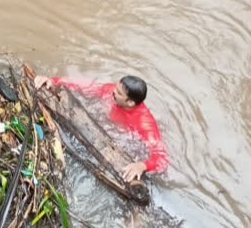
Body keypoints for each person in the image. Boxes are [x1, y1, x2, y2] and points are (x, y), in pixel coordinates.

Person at [34, 74, 168, 181]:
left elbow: (161, 159)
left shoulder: (144, 122)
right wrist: (53, 80)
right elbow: (83, 85)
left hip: (124, 142)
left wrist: (141, 166)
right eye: (116, 87)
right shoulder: (112, 91)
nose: (113, 92)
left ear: (131, 102)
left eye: (119, 93)